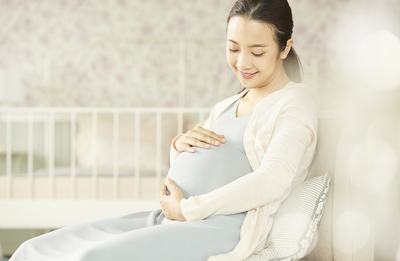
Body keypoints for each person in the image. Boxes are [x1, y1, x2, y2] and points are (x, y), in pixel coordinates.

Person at [10, 0, 318, 260]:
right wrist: (179, 144)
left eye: (257, 51)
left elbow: (273, 180)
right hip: (170, 216)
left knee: (91, 257)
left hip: (218, 225)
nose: (242, 62)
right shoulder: (226, 104)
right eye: (233, 48)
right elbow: (192, 162)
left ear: (284, 47)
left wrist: (189, 208)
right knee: (34, 249)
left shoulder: (294, 102)